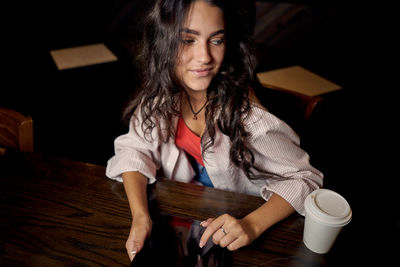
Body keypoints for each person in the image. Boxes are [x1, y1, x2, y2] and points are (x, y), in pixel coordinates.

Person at [106, 0, 323, 261]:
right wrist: (141, 216)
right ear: (163, 42)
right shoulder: (161, 96)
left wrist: (252, 224)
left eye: (216, 40)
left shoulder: (249, 118)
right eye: (188, 40)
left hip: (232, 228)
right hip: (179, 219)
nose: (205, 57)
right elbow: (133, 149)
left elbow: (305, 178)